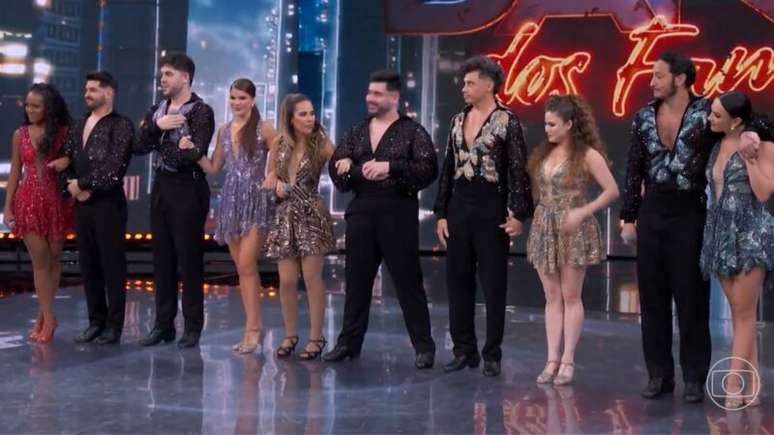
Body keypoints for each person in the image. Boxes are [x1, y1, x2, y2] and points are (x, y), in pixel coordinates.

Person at [620, 51, 770, 403]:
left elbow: (752, 118)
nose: (651, 82)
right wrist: (628, 217)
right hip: (652, 211)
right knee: (652, 297)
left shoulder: (707, 113)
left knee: (691, 298)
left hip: (690, 211)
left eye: (658, 76)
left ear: (680, 79)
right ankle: (658, 375)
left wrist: (753, 134)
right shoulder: (643, 117)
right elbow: (634, 168)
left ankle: (694, 377)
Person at [323, 70, 437, 369]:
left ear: (394, 97)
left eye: (377, 94)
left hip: (397, 213)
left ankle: (424, 347)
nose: (369, 98)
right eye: (369, 92)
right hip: (362, 212)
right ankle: (348, 344)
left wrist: (391, 167)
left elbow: (428, 170)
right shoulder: (357, 131)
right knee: (356, 282)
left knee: (407, 282)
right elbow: (337, 171)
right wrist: (354, 168)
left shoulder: (412, 131)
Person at [433, 56, 533, 377]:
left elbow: (518, 170)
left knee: (493, 283)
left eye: (470, 83)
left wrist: (518, 213)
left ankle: (492, 353)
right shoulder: (456, 120)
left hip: (492, 209)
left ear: (489, 85)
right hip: (459, 207)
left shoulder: (508, 121)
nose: (463, 88)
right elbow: (448, 167)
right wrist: (441, 212)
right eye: (464, 83)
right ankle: (464, 350)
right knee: (457, 280)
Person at [526, 94, 619, 385]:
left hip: (573, 227)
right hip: (545, 226)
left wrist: (582, 212)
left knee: (570, 296)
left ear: (569, 124)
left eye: (552, 124)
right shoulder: (545, 153)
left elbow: (612, 190)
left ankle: (568, 360)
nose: (547, 129)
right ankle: (551, 359)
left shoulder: (588, 154)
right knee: (551, 296)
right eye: (545, 123)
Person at [134, 52, 215, 348]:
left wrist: (168, 145)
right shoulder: (158, 111)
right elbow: (138, 145)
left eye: (168, 74)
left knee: (189, 260)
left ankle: (192, 327)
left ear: (185, 77)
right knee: (162, 259)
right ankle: (163, 325)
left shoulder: (201, 111)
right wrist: (159, 127)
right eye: (162, 74)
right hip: (162, 188)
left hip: (188, 188)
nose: (162, 79)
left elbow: (192, 154)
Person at [192, 78, 277, 354]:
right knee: (242, 268)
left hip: (256, 202)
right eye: (233, 98)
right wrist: (193, 152)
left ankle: (254, 330)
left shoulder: (265, 128)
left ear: (252, 100)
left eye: (242, 98)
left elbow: (279, 155)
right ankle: (252, 327)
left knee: (247, 263)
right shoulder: (224, 131)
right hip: (231, 203)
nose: (236, 103)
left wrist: (272, 174)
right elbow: (214, 167)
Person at [700, 91, 772, 409]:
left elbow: (764, 192)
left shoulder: (761, 146)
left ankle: (733, 383)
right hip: (719, 234)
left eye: (717, 115)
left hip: (750, 233)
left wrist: (750, 159)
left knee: (743, 314)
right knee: (740, 312)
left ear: (736, 121)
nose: (710, 118)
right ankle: (753, 382)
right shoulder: (715, 145)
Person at [60, 71, 133, 345]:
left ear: (108, 93)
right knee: (89, 264)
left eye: (92, 90)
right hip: (82, 205)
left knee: (112, 265)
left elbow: (114, 167)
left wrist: (83, 184)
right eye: (86, 90)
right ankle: (95, 322)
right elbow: (67, 160)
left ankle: (114, 326)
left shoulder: (121, 125)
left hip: (108, 204)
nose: (86, 94)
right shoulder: (78, 124)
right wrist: (72, 186)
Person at [264, 94, 335, 360]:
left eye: (312, 113)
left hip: (311, 214)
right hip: (285, 215)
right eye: (303, 114)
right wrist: (274, 182)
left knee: (312, 278)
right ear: (290, 119)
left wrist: (347, 163)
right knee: (287, 280)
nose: (310, 118)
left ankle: (316, 338)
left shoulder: (322, 144)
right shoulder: (278, 143)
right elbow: (270, 174)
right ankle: (290, 335)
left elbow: (341, 164)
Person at [2, 83, 73, 343]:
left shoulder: (64, 133)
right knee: (41, 259)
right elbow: (14, 173)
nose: (30, 110)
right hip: (28, 201)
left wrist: (67, 160)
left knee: (54, 258)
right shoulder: (19, 134)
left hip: (56, 202)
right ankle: (50, 317)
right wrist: (7, 207)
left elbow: (77, 162)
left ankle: (43, 315)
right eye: (27, 105)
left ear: (48, 108)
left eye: (36, 106)